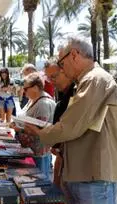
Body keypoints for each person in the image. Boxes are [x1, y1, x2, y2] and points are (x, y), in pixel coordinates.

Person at [25, 37, 117, 204]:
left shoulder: (95, 79)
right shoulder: (86, 81)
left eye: (62, 64)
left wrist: (42, 132)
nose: (61, 69)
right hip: (82, 176)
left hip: (94, 178)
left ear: (74, 55)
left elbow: (70, 126)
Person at [11, 73, 55, 178]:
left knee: (38, 182)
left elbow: (40, 131)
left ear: (35, 87)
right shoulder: (33, 100)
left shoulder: (43, 104)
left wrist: (19, 128)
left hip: (38, 154)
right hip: (30, 151)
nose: (23, 91)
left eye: (26, 88)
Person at [44, 57, 75, 186]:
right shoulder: (64, 94)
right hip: (63, 160)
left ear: (65, 71)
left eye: (54, 76)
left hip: (76, 166)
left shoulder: (77, 92)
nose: (51, 81)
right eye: (48, 78)